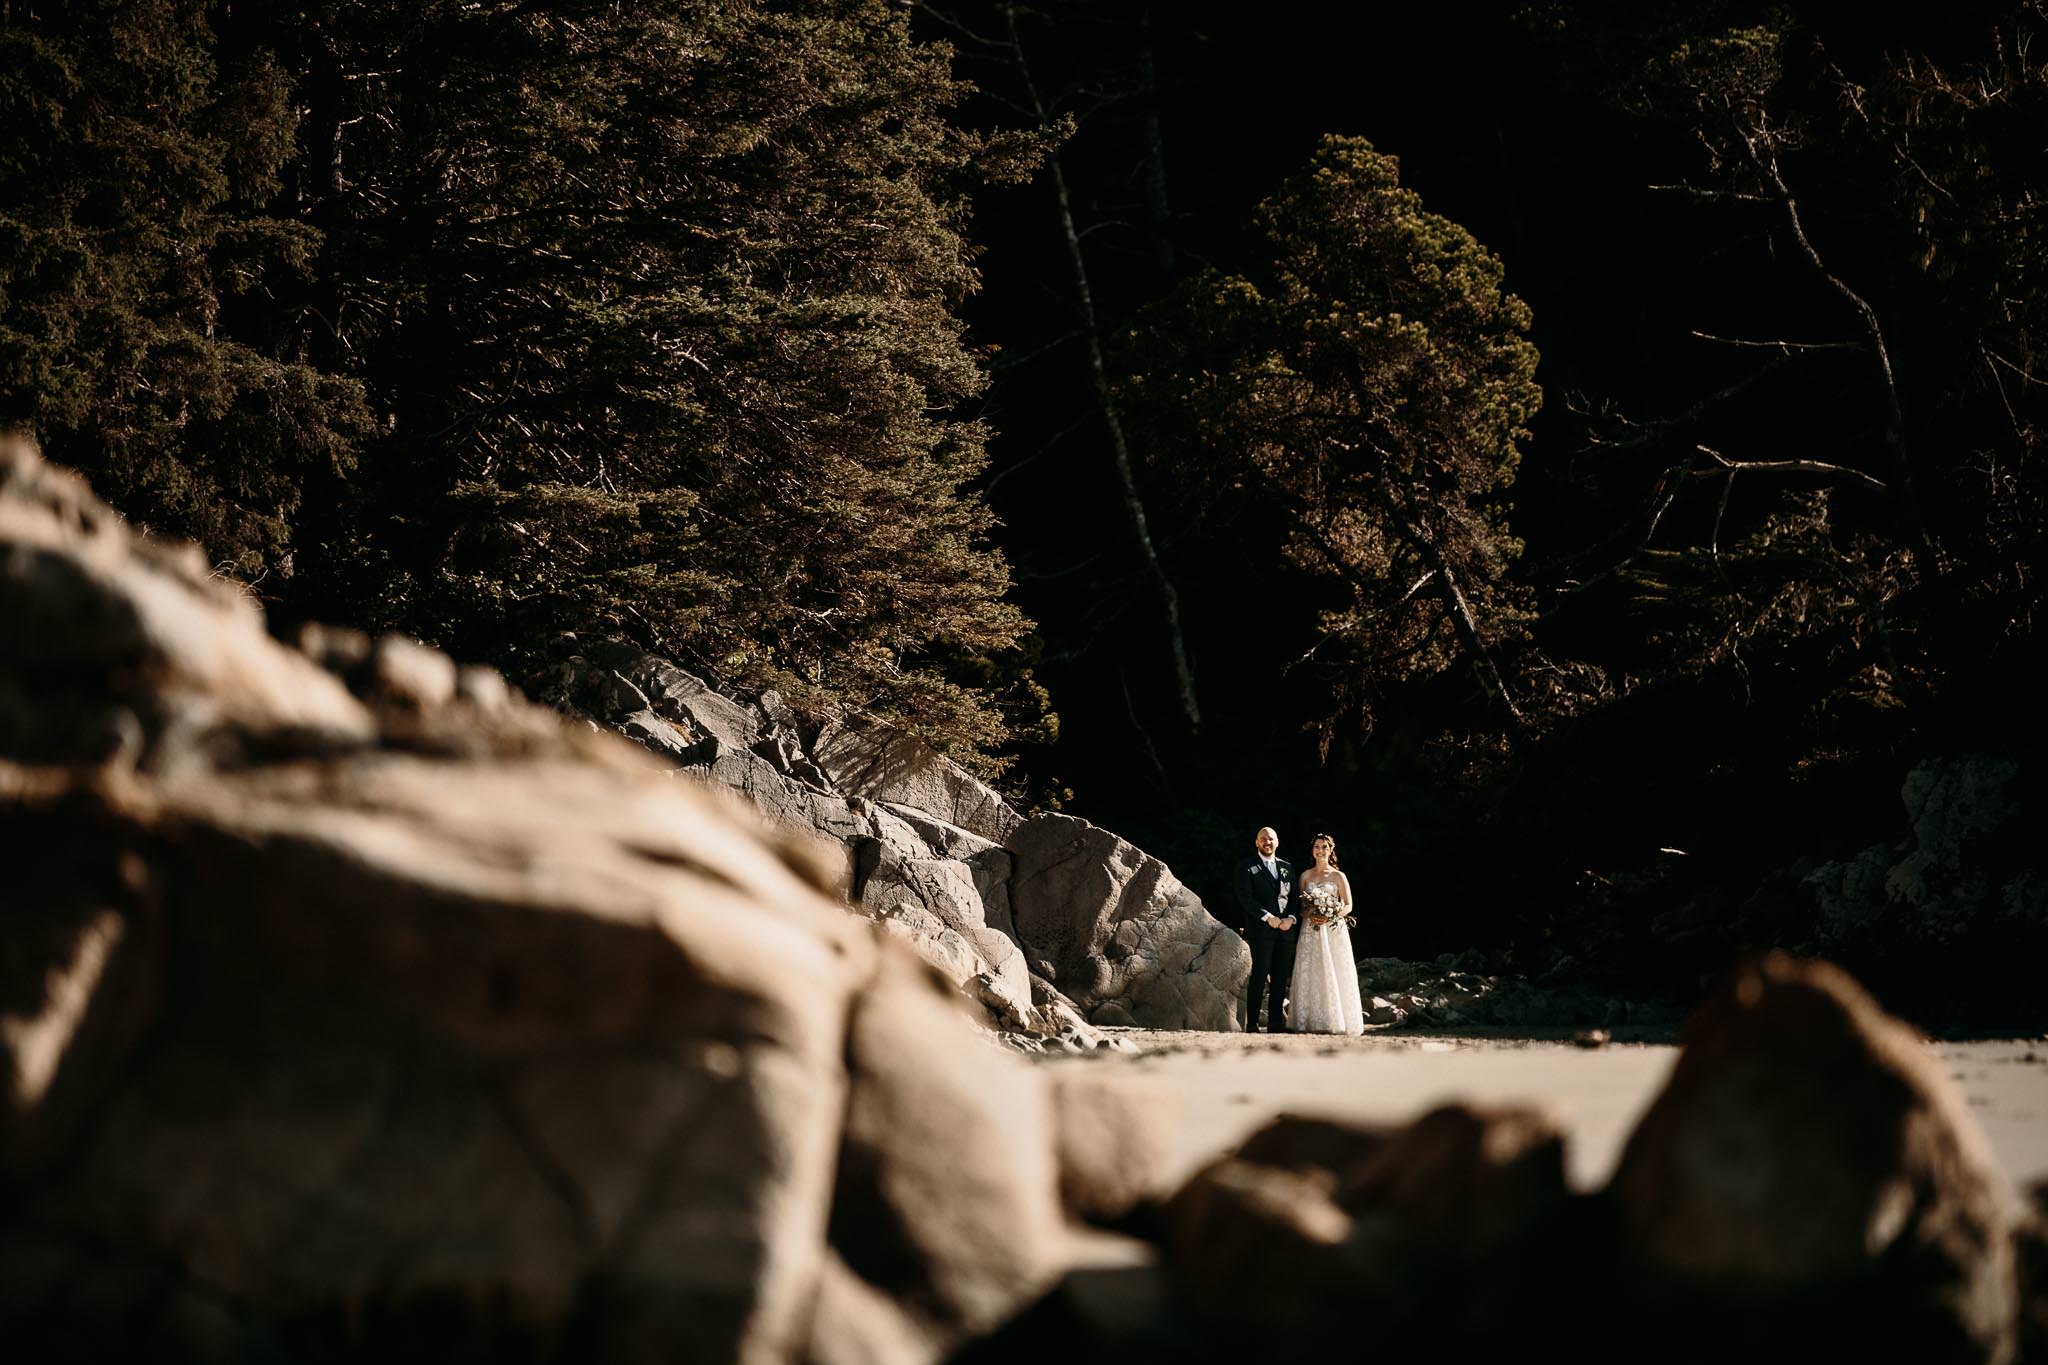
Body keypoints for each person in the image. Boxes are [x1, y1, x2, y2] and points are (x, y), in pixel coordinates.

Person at [1289, 832, 1365, 1034]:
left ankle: (1338, 1020)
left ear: (1331, 850)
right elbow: (1300, 906)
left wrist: (1331, 914)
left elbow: (1348, 905)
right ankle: (1308, 1020)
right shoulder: (1305, 876)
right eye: (1316, 846)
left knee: (1336, 968)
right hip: (1311, 929)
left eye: (1324, 847)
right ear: (1312, 850)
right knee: (1311, 969)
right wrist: (1311, 914)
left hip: (1333, 929)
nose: (1320, 850)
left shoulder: (1338, 876)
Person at [1233, 826, 1298, 1032]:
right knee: (1259, 977)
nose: (1267, 842)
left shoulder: (1287, 867)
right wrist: (1267, 917)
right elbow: (1245, 898)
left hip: (1285, 932)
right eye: (1263, 839)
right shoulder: (1246, 866)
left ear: (1277, 842)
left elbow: (1295, 898)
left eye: (1270, 839)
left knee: (1280, 978)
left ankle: (1275, 1022)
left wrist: (1291, 918)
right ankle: (1251, 1023)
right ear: (1257, 842)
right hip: (1260, 931)